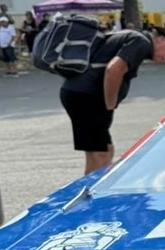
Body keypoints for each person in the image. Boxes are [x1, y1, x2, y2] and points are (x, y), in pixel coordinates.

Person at [58, 26, 151, 174]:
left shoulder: (127, 36)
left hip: (79, 93)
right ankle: (89, 194)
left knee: (104, 151)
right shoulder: (142, 43)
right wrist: (109, 104)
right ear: (160, 39)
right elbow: (113, 69)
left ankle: (93, 191)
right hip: (87, 97)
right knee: (100, 154)